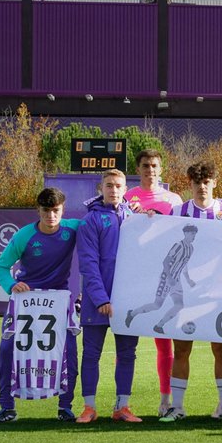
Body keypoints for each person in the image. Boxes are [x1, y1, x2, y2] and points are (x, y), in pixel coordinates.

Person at [0, 187, 82, 422]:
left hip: (59, 302)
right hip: (25, 303)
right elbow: (1, 267)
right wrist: (11, 285)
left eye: (56, 211)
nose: (51, 216)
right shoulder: (24, 236)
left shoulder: (72, 228)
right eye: (46, 211)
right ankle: (7, 407)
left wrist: (132, 209)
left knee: (69, 350)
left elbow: (102, 229)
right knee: (6, 349)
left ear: (63, 209)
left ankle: (65, 406)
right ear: (37, 210)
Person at [161, 161, 222, 422]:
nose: (202, 187)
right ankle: (178, 407)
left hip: (217, 293)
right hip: (188, 294)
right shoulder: (178, 211)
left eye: (207, 182)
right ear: (190, 185)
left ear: (215, 183)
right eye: (197, 183)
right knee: (182, 348)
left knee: (221, 348)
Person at [75, 170, 143, 424]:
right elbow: (88, 264)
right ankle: (89, 407)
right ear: (100, 188)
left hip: (127, 301)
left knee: (127, 354)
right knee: (91, 354)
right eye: (109, 185)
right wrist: (101, 298)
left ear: (125, 189)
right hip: (98, 302)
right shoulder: (90, 221)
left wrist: (149, 216)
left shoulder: (134, 218)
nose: (113, 190)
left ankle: (122, 407)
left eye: (118, 186)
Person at [123, 148, 182, 416]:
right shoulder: (127, 197)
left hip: (164, 275)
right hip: (134, 276)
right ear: (139, 169)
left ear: (161, 169)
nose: (150, 170)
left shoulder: (174, 200)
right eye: (146, 165)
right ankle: (122, 401)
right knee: (127, 343)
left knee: (164, 341)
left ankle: (165, 399)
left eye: (155, 165)